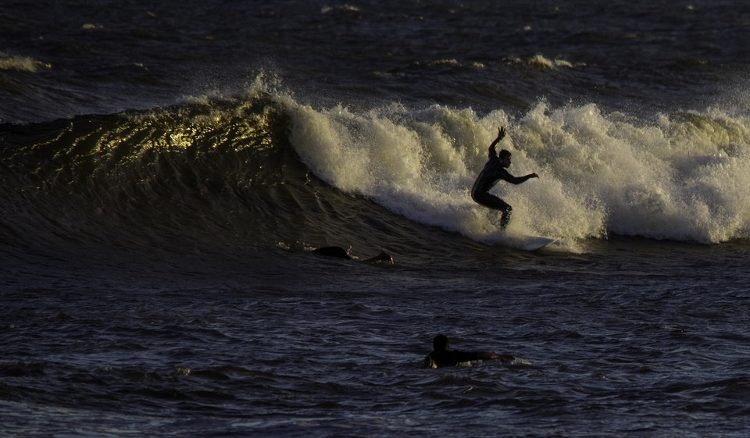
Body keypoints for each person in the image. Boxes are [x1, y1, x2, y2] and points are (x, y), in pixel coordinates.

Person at [471, 127, 538, 229]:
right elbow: (515, 181)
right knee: (507, 209)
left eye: (510, 160)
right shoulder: (500, 171)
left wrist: (498, 138)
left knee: (499, 207)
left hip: (474, 192)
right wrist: (530, 176)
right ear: (501, 159)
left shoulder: (493, 159)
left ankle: (491, 226)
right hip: (480, 195)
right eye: (508, 159)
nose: (510, 162)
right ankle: (502, 232)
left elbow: (491, 148)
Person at [424, 334, 514, 368]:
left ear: (434, 345)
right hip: (451, 369)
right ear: (448, 345)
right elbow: (478, 355)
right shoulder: (454, 355)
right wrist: (499, 356)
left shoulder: (430, 356)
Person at [312, 246, 393, 264]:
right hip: (338, 251)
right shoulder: (318, 252)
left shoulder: (318, 253)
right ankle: (379, 257)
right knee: (358, 263)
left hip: (338, 252)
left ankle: (380, 256)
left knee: (359, 263)